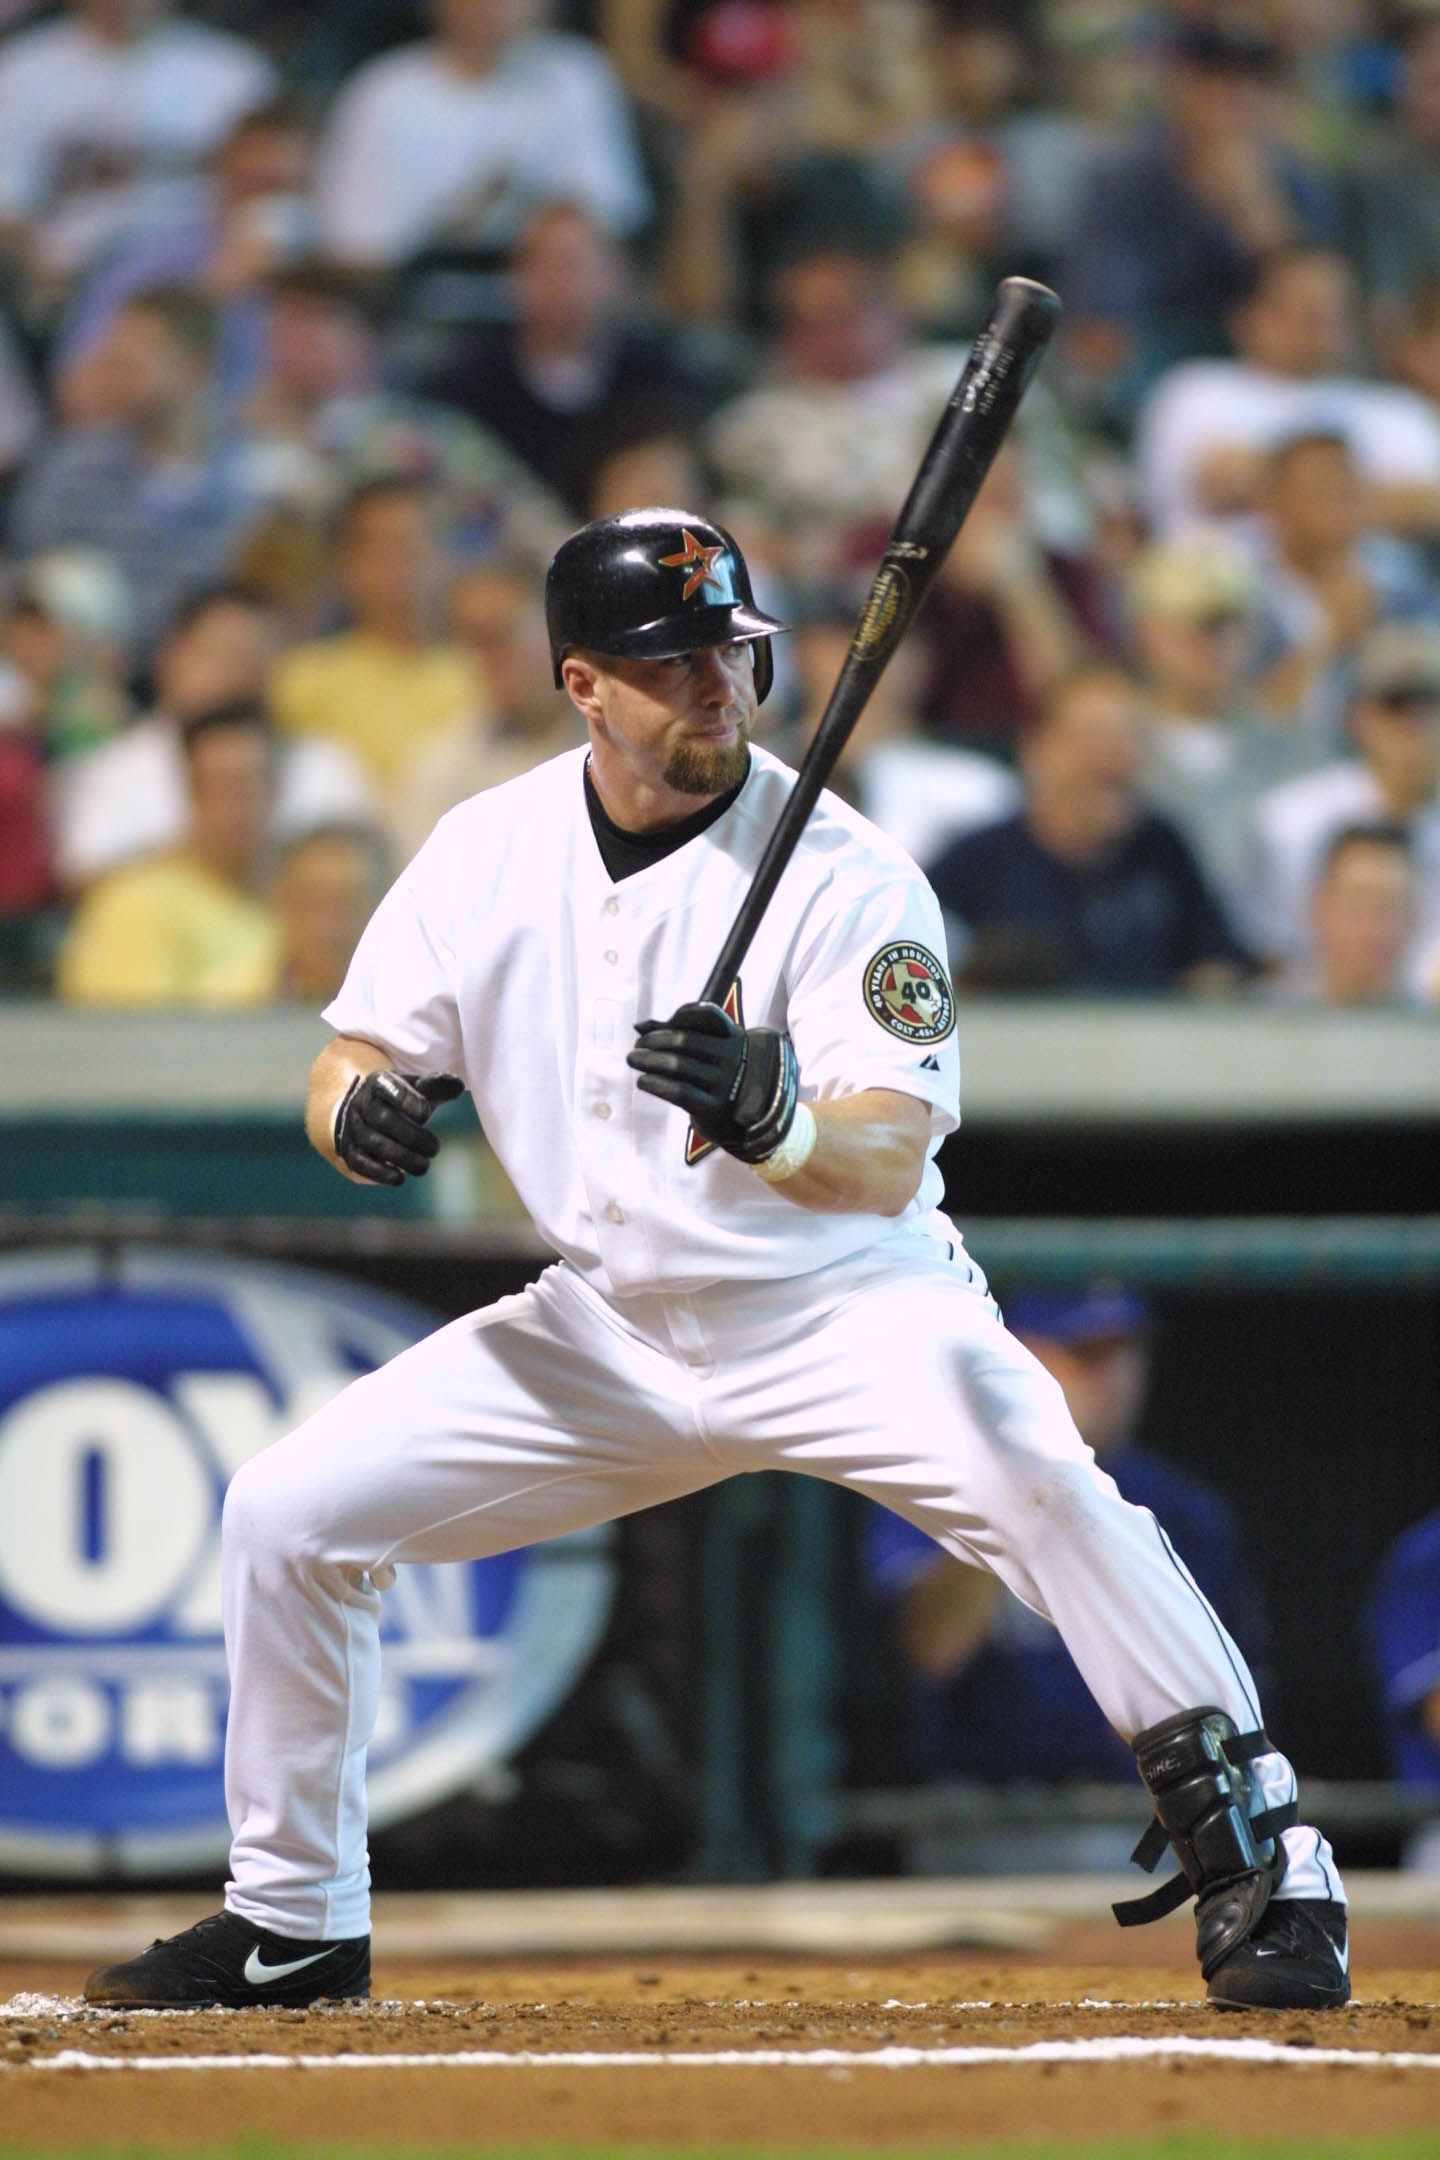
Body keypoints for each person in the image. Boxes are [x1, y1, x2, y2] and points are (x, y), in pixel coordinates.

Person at [85, 507, 1349, 2016]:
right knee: (288, 1514)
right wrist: (351, 1110)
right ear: (583, 685)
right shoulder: (487, 847)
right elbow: (356, 1049)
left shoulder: (852, 872)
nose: (712, 689)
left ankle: (1273, 1866)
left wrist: (775, 1115)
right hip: (605, 1329)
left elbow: (887, 1154)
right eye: (669, 663)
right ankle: (294, 1917)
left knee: (1051, 1484)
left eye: (729, 656)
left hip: (844, 1305)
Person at [866, 1283, 1267, 1783]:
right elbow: (932, 1649)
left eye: (1124, 1353)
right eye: (1085, 1354)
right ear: (1016, 1357)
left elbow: (1230, 1698)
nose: (1112, 1380)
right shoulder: (944, 1481)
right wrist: (1028, 1470)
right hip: (979, 1811)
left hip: (1138, 1813)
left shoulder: (1183, 1511)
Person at [927, 662, 1251, 994]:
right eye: (1094, 738)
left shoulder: (1163, 848)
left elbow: (1219, 966)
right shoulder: (977, 862)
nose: (1115, 760)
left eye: (1132, 737)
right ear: (1037, 749)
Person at [52, 581, 373, 891]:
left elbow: (369, 875)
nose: (237, 673)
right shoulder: (115, 768)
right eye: (220, 654)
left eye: (253, 657)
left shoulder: (324, 763)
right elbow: (83, 879)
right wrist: (209, 854)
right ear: (170, 658)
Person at [7, 285, 258, 654]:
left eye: (135, 362)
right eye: (114, 357)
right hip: (71, 672)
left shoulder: (250, 485)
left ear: (195, 369)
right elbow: (24, 583)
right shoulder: (68, 465)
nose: (116, 372)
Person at [422, 199, 705, 523]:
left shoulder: (660, 375)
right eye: (544, 265)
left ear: (616, 276)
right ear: (517, 279)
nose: (562, 283)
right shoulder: (466, 383)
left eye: (576, 264)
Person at [314, 0, 650, 272]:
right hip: (420, 315)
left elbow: (612, 217)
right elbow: (356, 249)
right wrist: (461, 221)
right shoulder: (381, 92)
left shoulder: (579, 75)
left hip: (547, 308)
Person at [1135, 247, 1440, 543]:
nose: (1320, 323)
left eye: (1333, 309)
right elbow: (1219, 482)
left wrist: (1281, 489)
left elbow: (1427, 505)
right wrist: (1371, 498)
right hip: (1232, 585)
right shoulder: (1198, 389)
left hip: (1386, 589)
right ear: (1247, 317)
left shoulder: (1397, 409)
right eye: (1303, 308)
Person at [0, 0, 276, 295]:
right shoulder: (21, 70)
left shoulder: (236, 72)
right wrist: (41, 275)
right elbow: (7, 208)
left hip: (206, 272)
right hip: (70, 276)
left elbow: (271, 197)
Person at [1246, 623, 1440, 985]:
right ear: (1360, 717)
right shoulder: (1291, 819)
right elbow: (1270, 950)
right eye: (1396, 708)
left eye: (1431, 708)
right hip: (1314, 1016)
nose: (1416, 727)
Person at [56, 700, 282, 1007]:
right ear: (191, 791)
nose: (238, 806)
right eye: (222, 786)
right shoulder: (132, 902)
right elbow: (130, 1037)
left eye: (252, 784)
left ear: (276, 792)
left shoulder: (299, 900)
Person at [267, 477, 482, 791]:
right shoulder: (303, 680)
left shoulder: (479, 673)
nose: (399, 566)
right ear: (346, 564)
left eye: (412, 545)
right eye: (381, 549)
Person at [391, 556, 584, 864]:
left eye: (500, 634)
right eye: (472, 641)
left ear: (557, 630)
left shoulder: (622, 747)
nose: (486, 658)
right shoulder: (438, 772)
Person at [1265, 823, 1421, 1008]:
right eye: (1359, 904)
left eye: (1391, 906)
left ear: (1414, 919)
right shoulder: (1258, 1017)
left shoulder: (1428, 1026)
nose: (1375, 927)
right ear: (1319, 909)